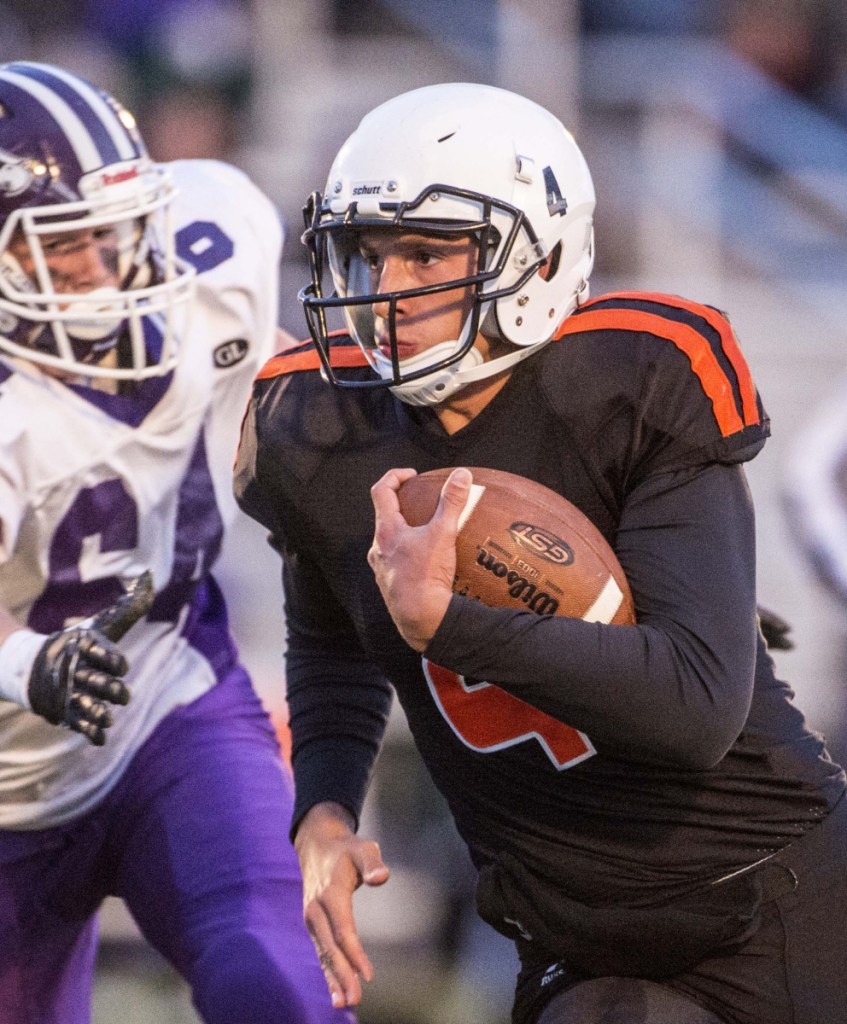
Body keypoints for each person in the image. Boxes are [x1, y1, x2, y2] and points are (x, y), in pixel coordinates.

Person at [233, 82, 847, 1024]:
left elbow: (694, 704)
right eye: (367, 252)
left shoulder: (636, 378)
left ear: (542, 255)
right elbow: (333, 634)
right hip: (572, 936)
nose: (387, 290)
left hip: (778, 896)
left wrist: (450, 624)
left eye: (427, 251)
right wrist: (323, 805)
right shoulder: (310, 426)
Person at [0, 61, 353, 1024]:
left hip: (169, 705)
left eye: (114, 231)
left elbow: (308, 398)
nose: (108, 270)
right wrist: (24, 663)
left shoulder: (212, 262)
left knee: (278, 983)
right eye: (62, 250)